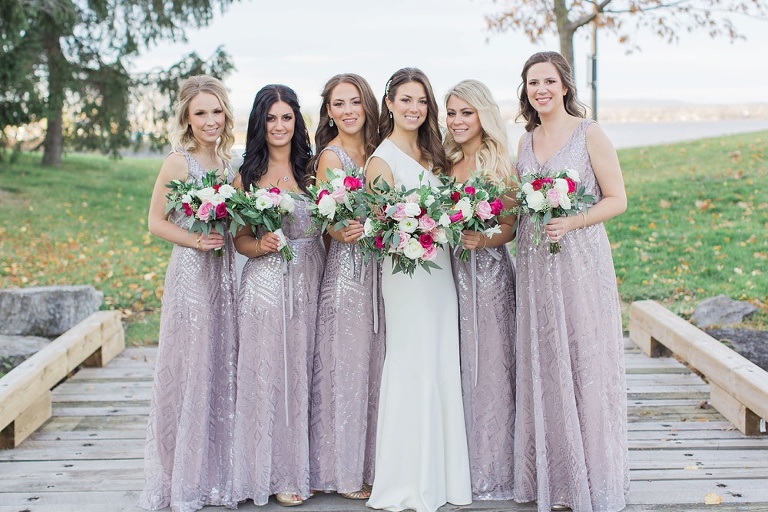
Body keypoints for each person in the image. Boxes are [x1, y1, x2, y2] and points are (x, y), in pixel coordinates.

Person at [513, 51, 629, 512]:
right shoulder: (525, 141)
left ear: (565, 86)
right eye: (532, 83)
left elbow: (618, 199)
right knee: (546, 360)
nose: (540, 90)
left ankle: (593, 480)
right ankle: (558, 481)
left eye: (548, 81)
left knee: (584, 358)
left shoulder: (590, 133)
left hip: (580, 261)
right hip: (536, 266)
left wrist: (575, 221)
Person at [364, 67, 472, 512]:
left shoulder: (436, 155)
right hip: (406, 277)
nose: (414, 108)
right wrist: (413, 230)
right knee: (412, 361)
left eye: (422, 101)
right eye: (406, 99)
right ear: (389, 104)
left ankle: (445, 479)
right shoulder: (381, 159)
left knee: (442, 359)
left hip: (440, 273)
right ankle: (407, 480)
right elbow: (378, 231)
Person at [139, 75, 238, 512]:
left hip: (228, 273)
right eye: (201, 113)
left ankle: (219, 473)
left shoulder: (232, 164)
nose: (211, 120)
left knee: (222, 364)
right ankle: (182, 477)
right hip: (192, 276)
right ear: (186, 118)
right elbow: (155, 222)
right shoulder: (179, 163)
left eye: (216, 111)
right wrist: (195, 240)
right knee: (191, 366)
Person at [231, 84, 325, 507]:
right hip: (264, 286)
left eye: (286, 117)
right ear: (259, 122)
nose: (279, 126)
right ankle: (268, 472)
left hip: (312, 280)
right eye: (271, 118)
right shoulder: (247, 175)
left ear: (296, 121)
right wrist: (260, 246)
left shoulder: (313, 169)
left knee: (307, 374)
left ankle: (306, 469)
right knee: (268, 374)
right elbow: (240, 240)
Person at [308, 73, 385, 500]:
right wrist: (345, 230)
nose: (348, 111)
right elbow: (328, 224)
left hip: (385, 269)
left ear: (366, 104)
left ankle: (376, 463)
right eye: (339, 104)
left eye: (355, 101)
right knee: (347, 366)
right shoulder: (331, 158)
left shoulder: (381, 150)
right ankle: (344, 470)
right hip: (349, 272)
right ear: (329, 111)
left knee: (378, 366)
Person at [443, 79, 517, 500]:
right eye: (452, 113)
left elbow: (509, 226)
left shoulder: (499, 164)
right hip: (448, 275)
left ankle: (492, 467)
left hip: (487, 276)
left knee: (489, 367)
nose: (457, 121)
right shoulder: (444, 163)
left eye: (466, 112)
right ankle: (456, 465)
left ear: (483, 116)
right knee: (455, 367)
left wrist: (482, 238)